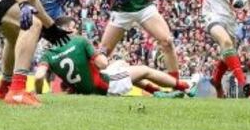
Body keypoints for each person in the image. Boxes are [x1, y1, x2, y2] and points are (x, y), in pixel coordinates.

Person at [41, 17, 194, 98]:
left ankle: (156, 92)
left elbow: (40, 77)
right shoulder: (80, 41)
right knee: (145, 70)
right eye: (74, 27)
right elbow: (102, 64)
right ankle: (185, 87)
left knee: (121, 63)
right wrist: (100, 52)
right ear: (66, 29)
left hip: (85, 87)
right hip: (103, 86)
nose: (76, 29)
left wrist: (41, 93)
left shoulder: (48, 53)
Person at [33, 0, 115, 94]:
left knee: (57, 57)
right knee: (34, 54)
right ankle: (12, 82)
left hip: (54, 25)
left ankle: (68, 86)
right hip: (37, 22)